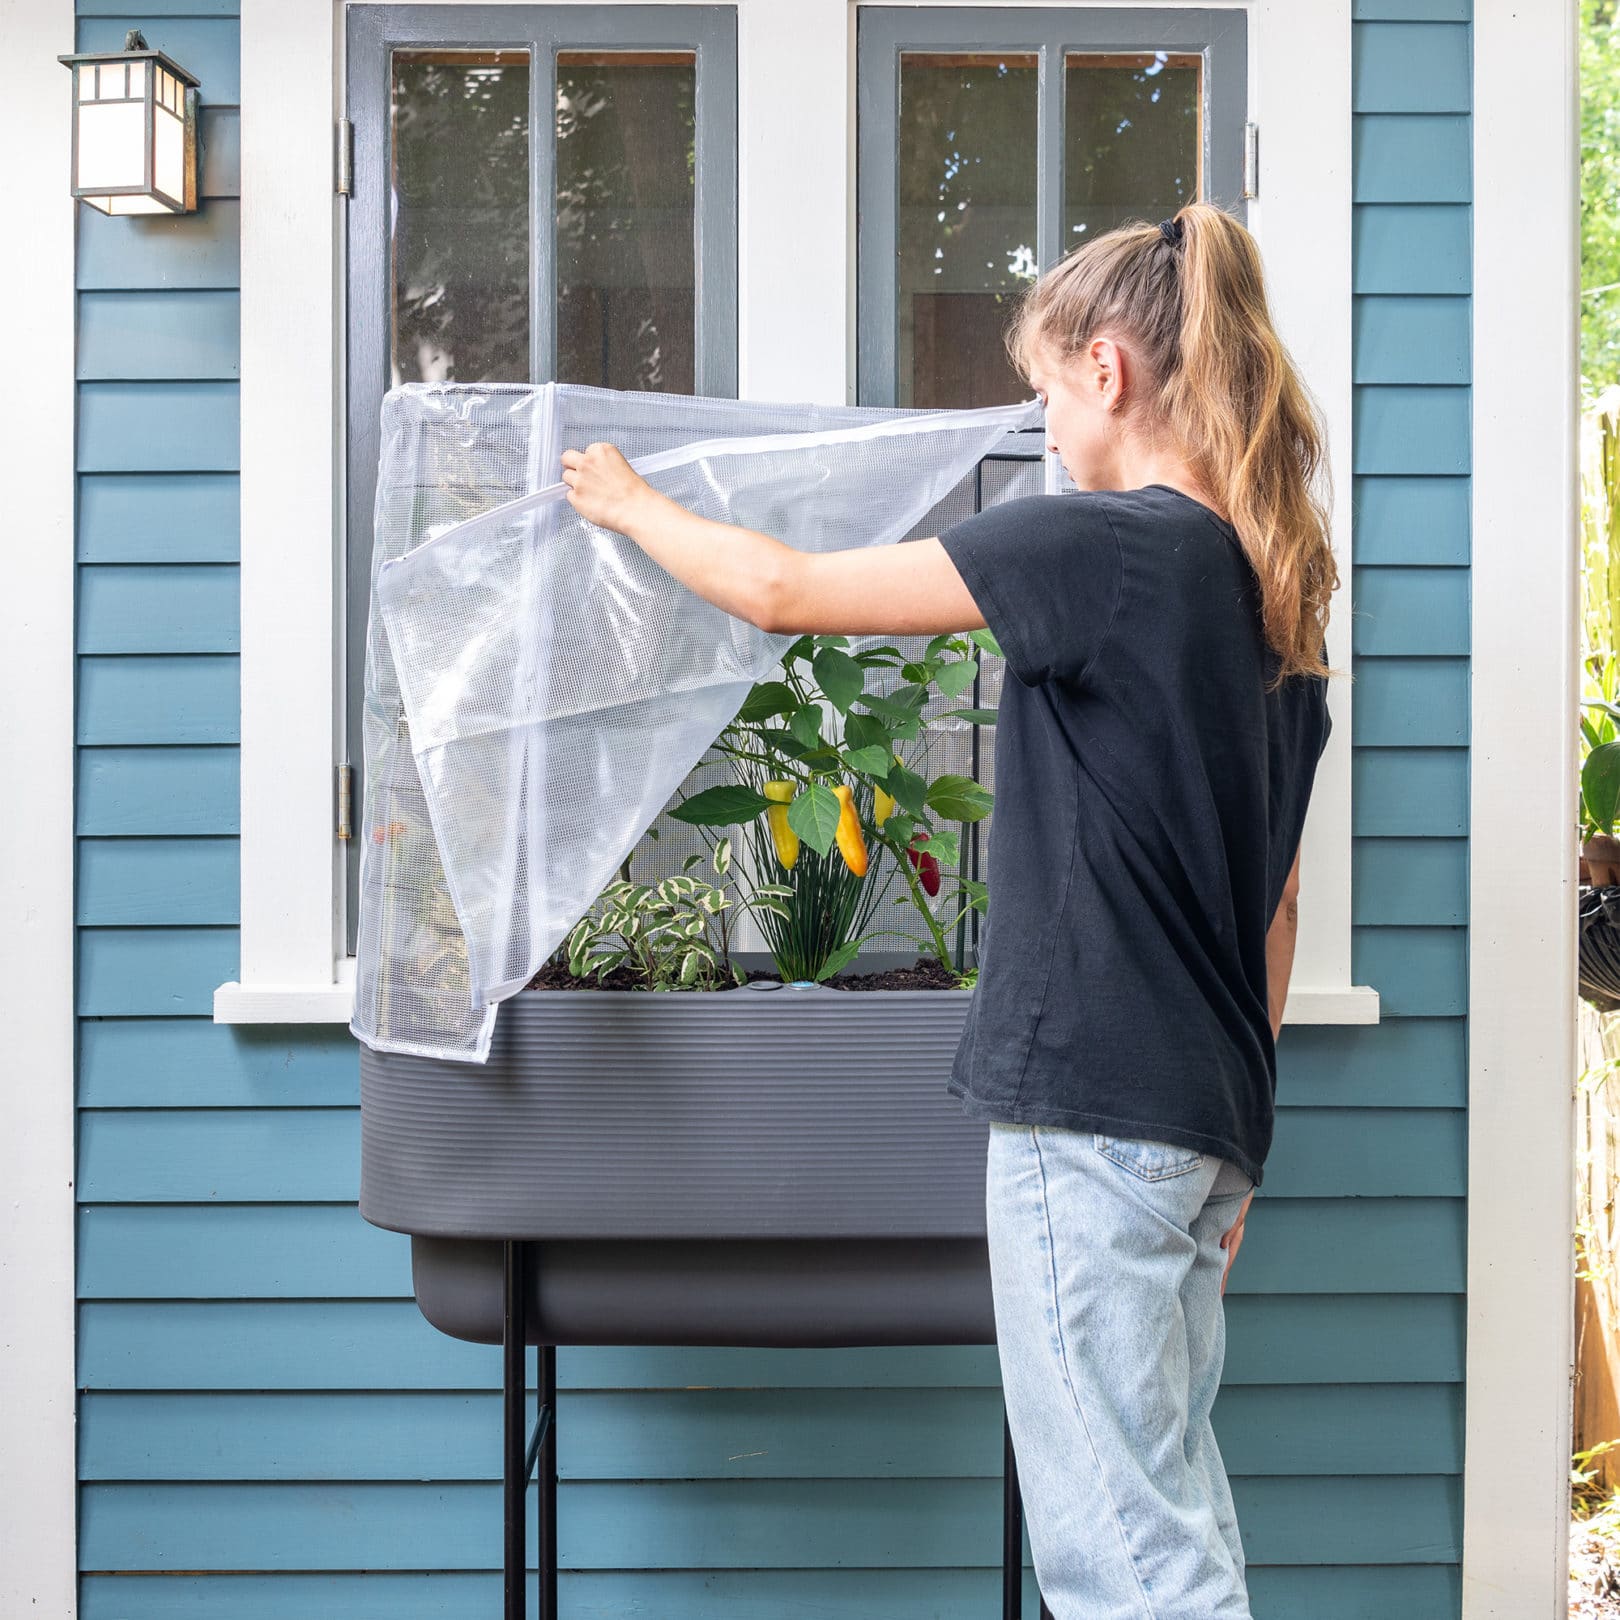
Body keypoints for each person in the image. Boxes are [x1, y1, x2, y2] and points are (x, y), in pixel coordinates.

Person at [557, 198, 1339, 1619]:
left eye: (1045, 393)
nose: (1041, 427)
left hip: (1097, 1118)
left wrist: (628, 502)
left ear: (1109, 372)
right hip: (1203, 1126)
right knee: (1169, 1509)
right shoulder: (1272, 600)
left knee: (1124, 1559)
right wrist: (1239, 1144)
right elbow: (1275, 904)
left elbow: (790, 592)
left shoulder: (1102, 546)